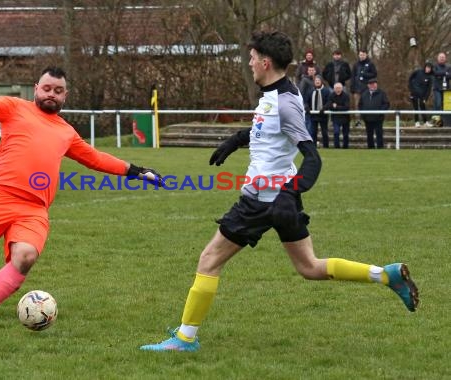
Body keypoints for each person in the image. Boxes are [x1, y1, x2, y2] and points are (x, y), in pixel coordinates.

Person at [140, 31, 419, 353]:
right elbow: (267, 131)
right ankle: (386, 275)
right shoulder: (277, 95)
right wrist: (235, 140)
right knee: (310, 268)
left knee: (209, 260)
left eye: (252, 58)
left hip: (261, 200)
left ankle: (185, 338)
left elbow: (312, 157)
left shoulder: (285, 103)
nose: (249, 64)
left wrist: (290, 192)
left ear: (265, 61)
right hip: (279, 198)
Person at [0, 68, 165, 323]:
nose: (52, 94)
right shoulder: (14, 108)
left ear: (65, 96)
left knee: (26, 256)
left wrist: (137, 171)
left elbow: (95, 159)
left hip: (34, 209)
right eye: (48, 88)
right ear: (36, 88)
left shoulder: (66, 132)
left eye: (58, 91)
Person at [358, 78, 390, 149]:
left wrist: (380, 112)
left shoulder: (382, 93)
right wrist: (363, 114)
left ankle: (380, 148)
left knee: (379, 133)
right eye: (371, 84)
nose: (373, 85)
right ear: (368, 85)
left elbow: (386, 104)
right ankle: (370, 148)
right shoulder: (364, 94)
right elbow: (360, 104)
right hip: (367, 118)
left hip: (378, 118)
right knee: (369, 134)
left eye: (374, 84)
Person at [350, 50, 377, 127]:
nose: (362, 56)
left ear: (366, 55)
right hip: (357, 89)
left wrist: (365, 75)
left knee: (367, 105)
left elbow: (374, 74)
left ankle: (368, 120)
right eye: (360, 55)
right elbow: (353, 76)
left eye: (363, 55)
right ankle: (358, 121)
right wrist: (352, 87)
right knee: (357, 105)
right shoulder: (356, 65)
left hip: (367, 89)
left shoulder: (370, 64)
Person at [324, 82, 351, 148]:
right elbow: (329, 106)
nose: (338, 89)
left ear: (342, 88)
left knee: (345, 134)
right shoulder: (331, 95)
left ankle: (345, 147)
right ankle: (337, 147)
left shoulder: (346, 95)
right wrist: (337, 107)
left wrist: (336, 107)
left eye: (339, 88)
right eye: (336, 88)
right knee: (336, 132)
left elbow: (346, 107)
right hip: (336, 118)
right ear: (334, 89)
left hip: (345, 118)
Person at [408, 62, 434, 127]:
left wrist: (426, 98)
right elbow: (410, 78)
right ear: (425, 67)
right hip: (414, 93)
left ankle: (425, 122)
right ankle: (416, 122)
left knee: (423, 107)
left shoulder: (429, 77)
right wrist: (411, 88)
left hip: (423, 95)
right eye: (427, 67)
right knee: (415, 108)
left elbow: (429, 89)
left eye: (429, 68)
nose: (428, 69)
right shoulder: (418, 72)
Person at [309, 75, 331, 147]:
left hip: (323, 115)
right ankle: (313, 147)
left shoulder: (326, 91)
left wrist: (324, 108)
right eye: (316, 81)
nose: (317, 82)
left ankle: (326, 146)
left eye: (318, 81)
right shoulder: (311, 91)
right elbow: (306, 101)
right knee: (313, 132)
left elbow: (329, 101)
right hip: (313, 115)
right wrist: (307, 108)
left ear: (321, 82)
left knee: (324, 132)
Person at [298, 66, 317, 134]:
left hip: (314, 106)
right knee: (308, 126)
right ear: (307, 71)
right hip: (307, 107)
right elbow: (301, 93)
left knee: (312, 126)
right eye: (310, 70)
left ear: (315, 71)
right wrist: (305, 105)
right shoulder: (304, 80)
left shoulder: (316, 80)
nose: (311, 71)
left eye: (313, 70)